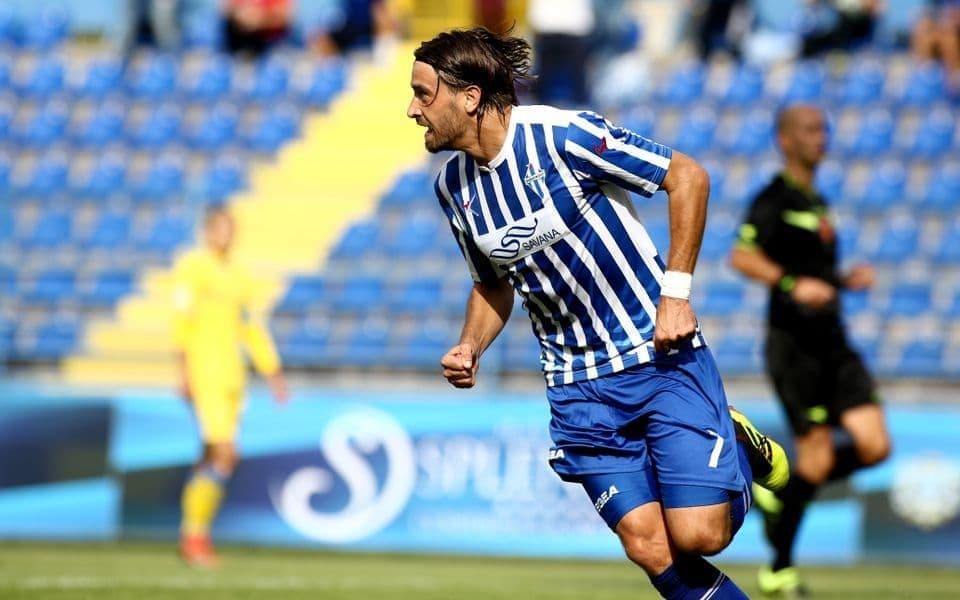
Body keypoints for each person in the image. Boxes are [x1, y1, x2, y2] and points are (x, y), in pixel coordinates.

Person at [407, 27, 789, 599]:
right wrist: (471, 344)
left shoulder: (565, 135)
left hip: (655, 355)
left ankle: (731, 436)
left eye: (422, 93)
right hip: (577, 386)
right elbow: (491, 284)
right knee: (648, 546)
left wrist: (675, 295)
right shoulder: (453, 188)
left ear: (469, 96)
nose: (413, 110)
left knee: (699, 534)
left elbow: (687, 177)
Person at [729, 104, 891, 596]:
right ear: (785, 140)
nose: (822, 136)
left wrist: (842, 280)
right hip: (795, 348)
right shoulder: (774, 199)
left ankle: (786, 493)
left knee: (875, 445)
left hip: (835, 343)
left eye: (824, 128)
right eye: (810, 130)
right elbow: (742, 255)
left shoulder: (817, 201)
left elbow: (815, 275)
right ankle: (779, 567)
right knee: (817, 459)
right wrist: (790, 283)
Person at [172, 206, 289, 567]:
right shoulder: (193, 267)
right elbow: (181, 319)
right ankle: (195, 538)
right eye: (220, 228)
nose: (226, 235)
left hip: (233, 378)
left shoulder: (240, 275)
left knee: (211, 455)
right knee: (226, 454)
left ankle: (192, 532)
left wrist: (272, 372)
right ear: (208, 231)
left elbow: (251, 328)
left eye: (230, 228)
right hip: (204, 372)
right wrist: (183, 372)